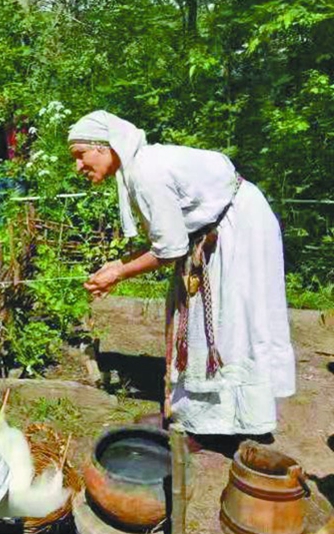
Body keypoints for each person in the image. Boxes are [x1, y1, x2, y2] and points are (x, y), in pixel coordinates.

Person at [68, 110, 295, 448]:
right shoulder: (140, 166)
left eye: (80, 155)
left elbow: (170, 250)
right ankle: (227, 418)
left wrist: (118, 272)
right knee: (225, 325)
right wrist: (119, 262)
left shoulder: (145, 172)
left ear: (105, 147)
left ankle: (208, 427)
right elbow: (168, 237)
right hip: (227, 227)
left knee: (230, 324)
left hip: (238, 232)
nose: (78, 166)